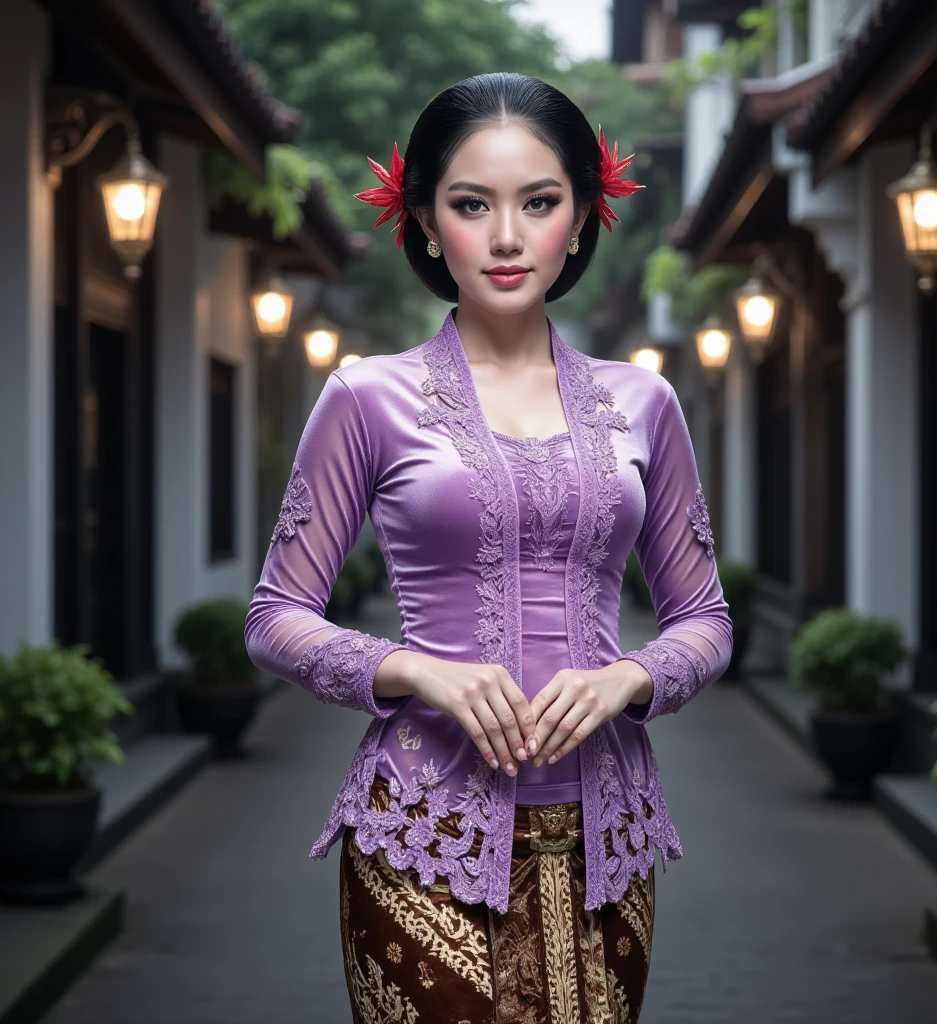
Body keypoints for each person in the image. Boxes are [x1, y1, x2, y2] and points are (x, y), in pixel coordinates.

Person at [244, 71, 733, 1024]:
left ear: (583, 219)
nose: (507, 237)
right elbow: (274, 618)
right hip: (421, 832)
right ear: (426, 222)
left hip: (607, 844)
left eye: (540, 203)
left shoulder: (644, 402)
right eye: (472, 205)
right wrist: (415, 671)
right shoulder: (364, 397)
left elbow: (705, 619)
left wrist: (626, 680)